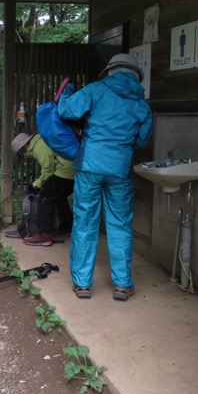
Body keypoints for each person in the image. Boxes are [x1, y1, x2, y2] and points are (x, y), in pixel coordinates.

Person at [57, 53, 152, 301]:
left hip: (90, 165)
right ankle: (122, 284)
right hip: (120, 168)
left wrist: (67, 92)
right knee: (120, 224)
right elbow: (142, 139)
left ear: (111, 71)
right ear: (135, 75)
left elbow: (66, 110)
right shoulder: (141, 103)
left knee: (85, 221)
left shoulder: (96, 90)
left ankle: (82, 284)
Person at [11, 132, 75, 247]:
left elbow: (48, 170)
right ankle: (67, 226)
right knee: (58, 197)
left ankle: (43, 235)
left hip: (65, 170)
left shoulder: (39, 145)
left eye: (22, 153)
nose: (24, 156)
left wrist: (36, 185)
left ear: (25, 147)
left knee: (45, 198)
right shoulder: (40, 140)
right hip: (72, 169)